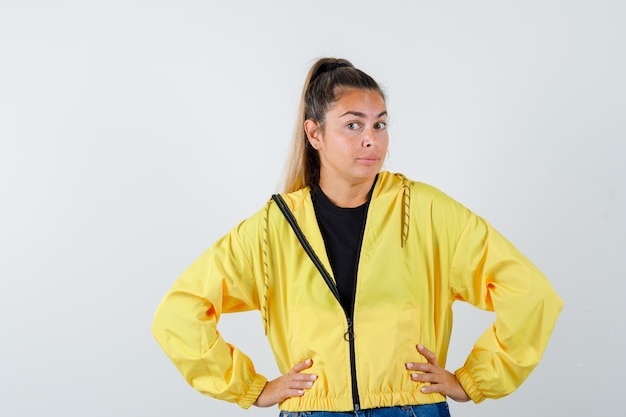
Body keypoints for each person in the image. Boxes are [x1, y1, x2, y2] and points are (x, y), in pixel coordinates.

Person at [152, 58, 563, 417]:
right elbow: (180, 313)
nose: (372, 139)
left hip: (411, 409)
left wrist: (473, 381)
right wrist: (253, 389)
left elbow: (530, 293)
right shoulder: (272, 229)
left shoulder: (426, 212)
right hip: (313, 412)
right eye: (353, 125)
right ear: (315, 135)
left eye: (380, 124)